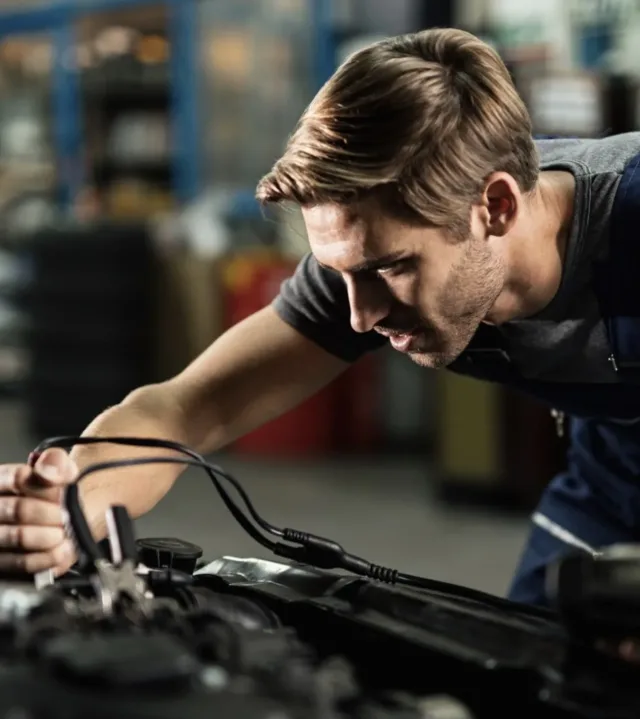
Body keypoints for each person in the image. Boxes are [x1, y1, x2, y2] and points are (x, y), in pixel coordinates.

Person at [1, 27, 639, 611]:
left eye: (391, 268)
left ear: (495, 206)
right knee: (534, 689)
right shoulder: (370, 250)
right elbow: (190, 409)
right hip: (613, 485)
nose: (360, 317)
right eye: (342, 274)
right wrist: (71, 499)